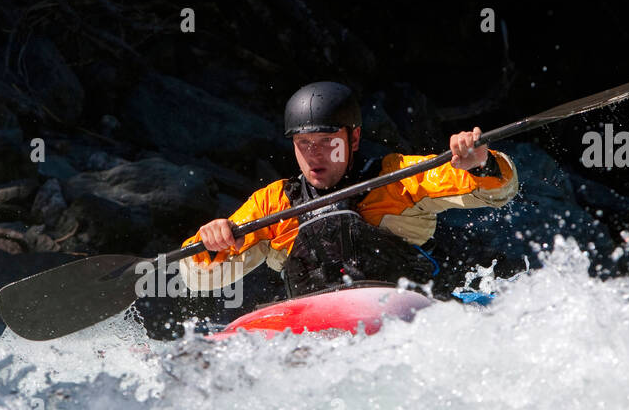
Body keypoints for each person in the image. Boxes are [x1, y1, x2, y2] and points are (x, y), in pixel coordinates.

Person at [179, 81, 519, 298]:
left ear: (353, 138)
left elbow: (499, 189)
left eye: (328, 141)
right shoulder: (274, 204)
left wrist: (478, 162)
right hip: (320, 326)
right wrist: (210, 242)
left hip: (404, 316)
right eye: (304, 143)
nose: (314, 154)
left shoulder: (397, 178)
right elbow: (200, 279)